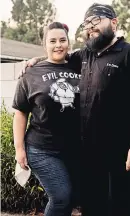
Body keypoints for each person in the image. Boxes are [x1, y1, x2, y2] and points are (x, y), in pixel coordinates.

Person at [21, 3, 130, 216]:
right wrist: (36, 61)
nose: (90, 27)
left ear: (113, 22)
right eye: (86, 23)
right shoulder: (84, 56)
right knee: (93, 208)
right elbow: (58, 58)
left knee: (124, 208)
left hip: (123, 155)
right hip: (90, 157)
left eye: (96, 21)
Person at [13, 22, 82, 216]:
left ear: (69, 43)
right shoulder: (31, 73)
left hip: (74, 149)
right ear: (45, 44)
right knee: (61, 198)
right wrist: (19, 149)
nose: (58, 45)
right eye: (52, 41)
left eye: (62, 40)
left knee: (73, 198)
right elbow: (20, 112)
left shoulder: (79, 66)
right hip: (42, 149)